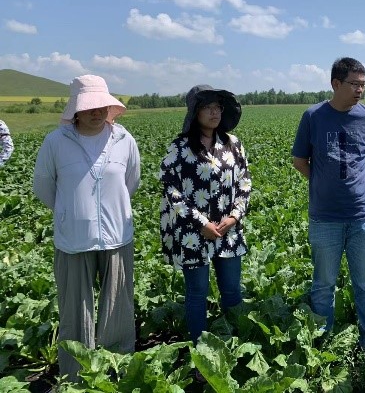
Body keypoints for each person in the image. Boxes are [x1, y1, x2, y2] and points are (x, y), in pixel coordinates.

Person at [33, 75, 140, 382]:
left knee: (118, 307)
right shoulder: (56, 142)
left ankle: (116, 369)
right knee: (74, 311)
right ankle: (76, 377)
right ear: (76, 110)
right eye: (89, 106)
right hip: (73, 240)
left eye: (101, 105)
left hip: (117, 235)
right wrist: (71, 212)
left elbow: (131, 182)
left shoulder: (124, 140)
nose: (96, 112)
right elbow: (44, 186)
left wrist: (108, 210)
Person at [291, 57, 365, 352]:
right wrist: (321, 182)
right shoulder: (313, 116)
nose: (360, 90)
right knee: (323, 284)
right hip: (325, 217)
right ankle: (322, 346)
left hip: (363, 216)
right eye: (354, 84)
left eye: (364, 84)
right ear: (336, 83)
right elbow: (299, 160)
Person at [159, 85, 251, 347]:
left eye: (217, 107)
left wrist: (234, 217)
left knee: (232, 290)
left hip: (228, 229)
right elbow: (171, 189)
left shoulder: (233, 144)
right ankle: (200, 349)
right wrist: (200, 223)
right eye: (208, 107)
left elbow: (245, 182)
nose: (214, 113)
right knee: (197, 293)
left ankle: (235, 344)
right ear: (195, 112)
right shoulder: (179, 148)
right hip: (193, 233)